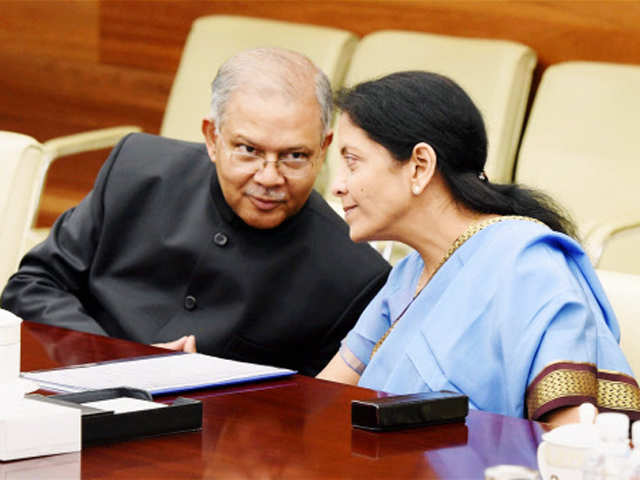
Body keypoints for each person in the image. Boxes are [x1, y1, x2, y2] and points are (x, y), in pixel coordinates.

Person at [1, 48, 390, 376]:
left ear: (323, 149)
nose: (270, 177)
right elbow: (33, 285)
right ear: (212, 137)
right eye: (249, 150)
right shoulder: (138, 169)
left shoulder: (353, 275)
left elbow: (312, 414)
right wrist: (114, 359)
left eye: (294, 156)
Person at [317, 71, 640, 423]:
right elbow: (324, 400)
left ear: (420, 166)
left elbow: (568, 439)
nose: (337, 186)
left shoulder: (528, 264)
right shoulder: (409, 274)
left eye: (352, 163)